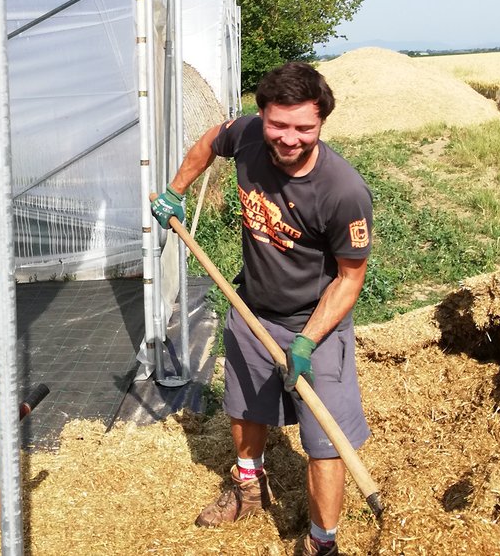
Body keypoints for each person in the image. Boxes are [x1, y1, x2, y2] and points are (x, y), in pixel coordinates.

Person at [151, 62, 373, 556]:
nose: (289, 138)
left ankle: (321, 541)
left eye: (304, 128)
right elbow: (210, 140)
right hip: (251, 308)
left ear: (321, 124)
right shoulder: (249, 135)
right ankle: (250, 488)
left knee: (326, 439)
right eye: (278, 124)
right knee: (245, 407)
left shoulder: (343, 192)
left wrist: (307, 342)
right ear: (261, 115)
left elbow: (349, 279)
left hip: (317, 322)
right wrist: (175, 190)